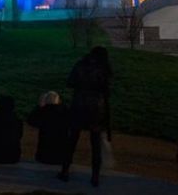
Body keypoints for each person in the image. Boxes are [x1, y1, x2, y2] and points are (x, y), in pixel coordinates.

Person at [59, 46, 113, 187]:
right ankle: (95, 176)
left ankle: (64, 171)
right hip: (96, 108)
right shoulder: (103, 68)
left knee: (72, 140)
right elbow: (107, 89)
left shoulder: (81, 64)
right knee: (95, 143)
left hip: (79, 105)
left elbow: (70, 82)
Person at [27, 91, 69, 165]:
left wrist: (39, 107)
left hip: (44, 157)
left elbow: (30, 120)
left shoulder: (44, 112)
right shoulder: (64, 112)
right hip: (60, 157)